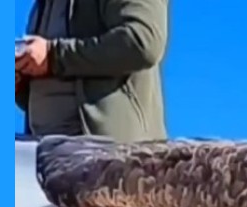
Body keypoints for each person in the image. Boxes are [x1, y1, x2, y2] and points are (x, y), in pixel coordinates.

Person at [15, 0, 168, 142]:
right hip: (41, 153)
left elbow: (142, 41)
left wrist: (54, 56)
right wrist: (21, 81)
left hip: (108, 158)